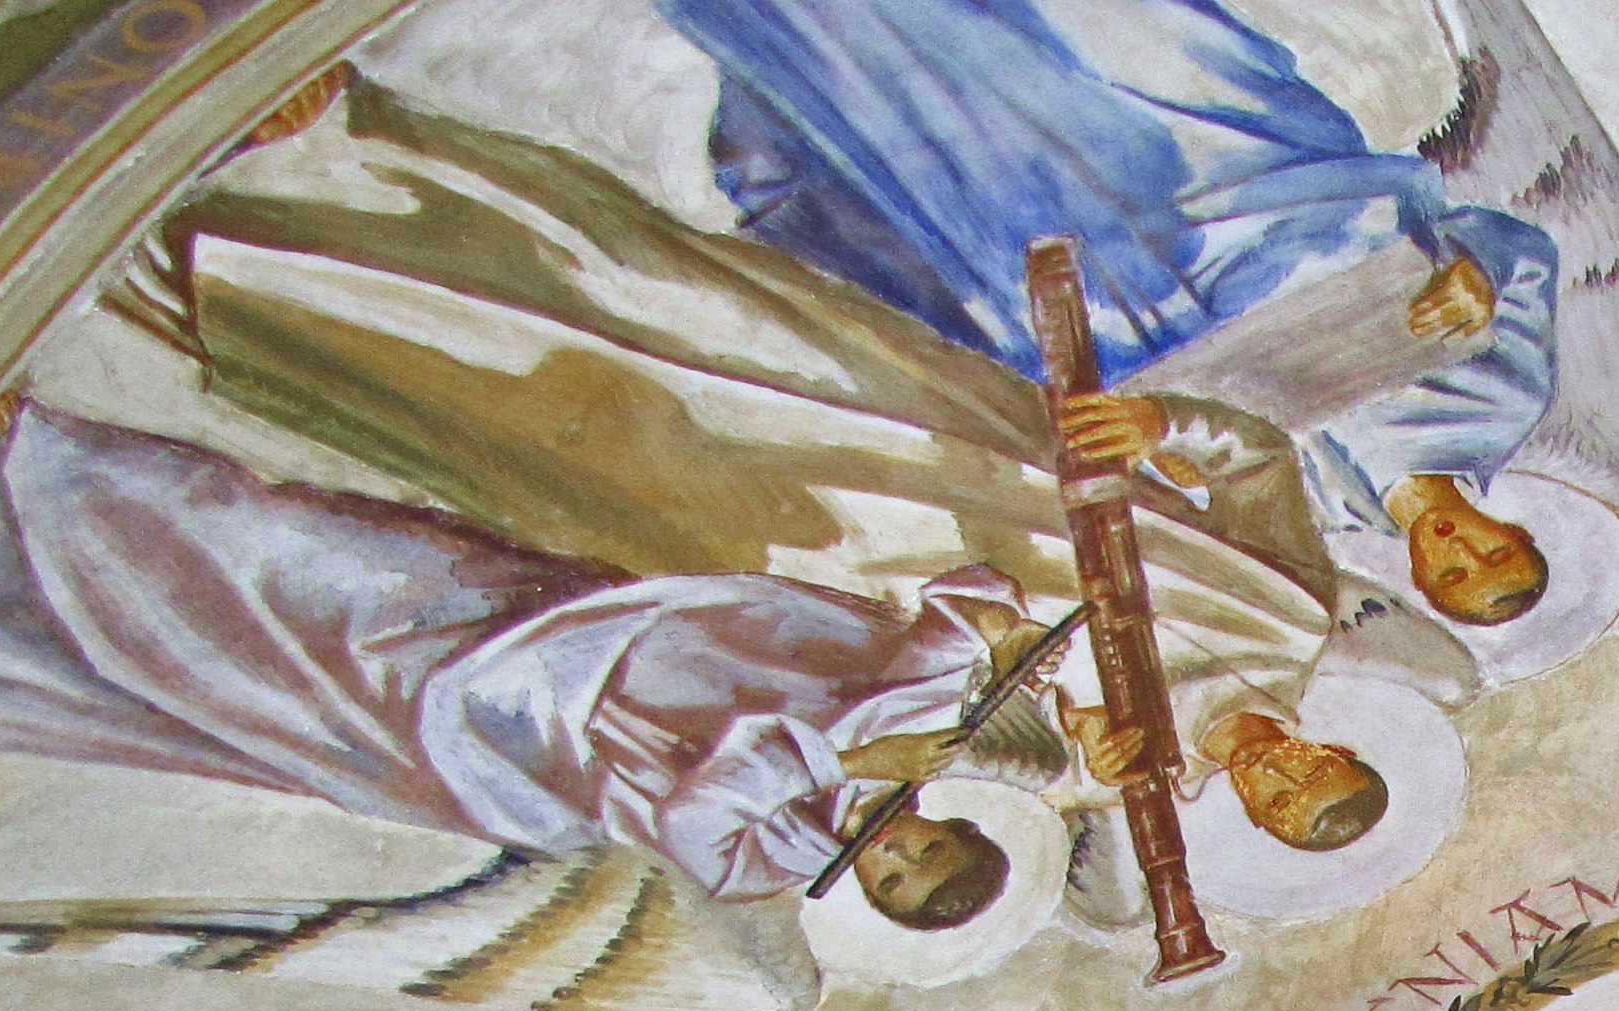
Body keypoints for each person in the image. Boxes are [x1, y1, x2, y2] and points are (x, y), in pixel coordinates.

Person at [98, 75, 1400, 842]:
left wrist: (1048, 737)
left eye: (1276, 802)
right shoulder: (1290, 615)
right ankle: (360, 139)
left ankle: (242, 272)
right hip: (946, 431)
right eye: (1312, 770)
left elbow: (875, 744)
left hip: (815, 536)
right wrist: (1157, 430)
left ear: (1257, 822)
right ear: (1333, 746)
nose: (1277, 770)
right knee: (667, 289)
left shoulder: (1096, 774)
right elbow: (1250, 465)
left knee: (549, 409)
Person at [0, 407, 1038, 931]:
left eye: (892, 883)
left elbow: (697, 803)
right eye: (924, 850)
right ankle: (29, 468)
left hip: (476, 741)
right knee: (290, 541)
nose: (890, 854)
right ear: (946, 821)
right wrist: (1007, 652)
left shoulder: (763, 866)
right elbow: (976, 598)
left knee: (228, 671)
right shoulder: (929, 711)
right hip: (533, 618)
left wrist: (837, 751)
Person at [662, 0, 1560, 624]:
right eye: (1489, 551)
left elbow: (1176, 469)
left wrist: (1152, 435)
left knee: (950, 161)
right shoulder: (1503, 403)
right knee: (1118, 55)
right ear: (1508, 527)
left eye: (1450, 575)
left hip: (1132, 303)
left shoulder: (1314, 518)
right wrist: (1478, 272)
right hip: (1274, 200)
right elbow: (1524, 258)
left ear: (1419, 576)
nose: (1458, 550)